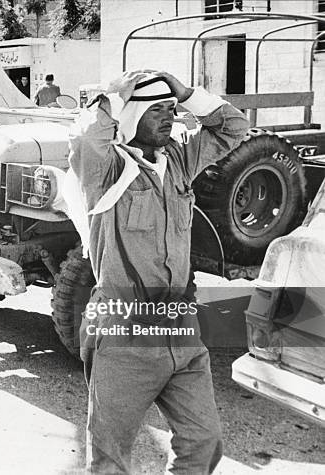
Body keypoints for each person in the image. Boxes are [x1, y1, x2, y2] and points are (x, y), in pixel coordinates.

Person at [64, 70, 249, 474]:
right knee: (110, 459)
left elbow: (235, 128)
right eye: (156, 109)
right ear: (131, 114)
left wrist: (187, 93)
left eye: (171, 109)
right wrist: (111, 98)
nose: (168, 117)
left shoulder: (178, 160)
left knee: (203, 442)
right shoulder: (105, 169)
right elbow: (84, 141)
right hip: (123, 330)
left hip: (181, 327)